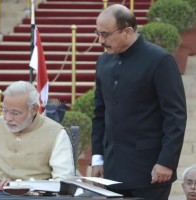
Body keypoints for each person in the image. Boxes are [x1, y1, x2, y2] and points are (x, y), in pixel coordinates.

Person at [91, 4, 187, 200]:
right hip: (112, 171)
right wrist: (98, 158)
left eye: (105, 34)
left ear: (127, 31)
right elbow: (100, 113)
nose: (100, 40)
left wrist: (167, 162)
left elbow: (175, 116)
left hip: (150, 172)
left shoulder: (160, 60)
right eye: (98, 33)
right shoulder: (103, 62)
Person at [0, 80, 75, 187]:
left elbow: (63, 181)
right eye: (4, 110)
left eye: (15, 113)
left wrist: (18, 187)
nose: (7, 118)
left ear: (34, 109)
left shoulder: (55, 133)